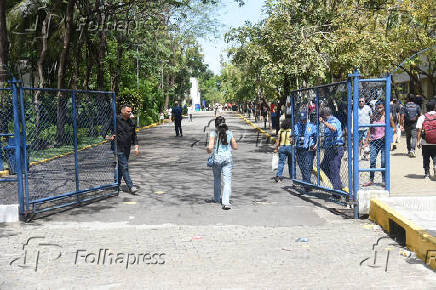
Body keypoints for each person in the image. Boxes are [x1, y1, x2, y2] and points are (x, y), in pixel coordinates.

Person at [102, 104, 139, 194]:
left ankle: (116, 184)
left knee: (121, 167)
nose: (130, 113)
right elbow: (103, 130)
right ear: (122, 111)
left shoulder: (131, 122)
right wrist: (108, 137)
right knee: (124, 166)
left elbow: (134, 135)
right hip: (117, 146)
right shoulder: (115, 119)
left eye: (130, 111)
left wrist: (136, 146)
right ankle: (131, 186)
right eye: (128, 111)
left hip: (127, 147)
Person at [207, 116, 238, 209]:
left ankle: (217, 198)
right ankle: (226, 202)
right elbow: (235, 147)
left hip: (217, 160)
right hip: (227, 159)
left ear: (216, 124)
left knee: (217, 179)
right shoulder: (229, 133)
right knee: (227, 181)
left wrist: (208, 149)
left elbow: (210, 147)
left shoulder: (213, 133)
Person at [363, 101, 395, 187]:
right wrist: (366, 140)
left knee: (383, 161)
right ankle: (371, 179)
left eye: (380, 107)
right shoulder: (373, 117)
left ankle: (384, 180)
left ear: (384, 107)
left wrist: (387, 136)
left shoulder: (388, 116)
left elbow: (394, 128)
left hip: (383, 141)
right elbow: (370, 129)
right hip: (374, 141)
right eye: (377, 107)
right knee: (372, 160)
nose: (379, 109)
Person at [319, 107, 344, 190]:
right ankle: (337, 184)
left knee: (334, 170)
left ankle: (337, 190)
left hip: (335, 149)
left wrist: (323, 122)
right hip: (329, 149)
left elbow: (334, 128)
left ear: (325, 115)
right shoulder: (328, 121)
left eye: (322, 115)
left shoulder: (333, 120)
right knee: (324, 166)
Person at [294, 111, 317, 187]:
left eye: (304, 120)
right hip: (299, 149)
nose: (303, 121)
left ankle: (306, 184)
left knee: (307, 166)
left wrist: (316, 145)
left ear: (306, 119)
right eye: (301, 120)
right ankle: (306, 182)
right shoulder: (296, 126)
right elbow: (293, 136)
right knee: (302, 167)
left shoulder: (312, 126)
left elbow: (317, 136)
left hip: (308, 150)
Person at [417, 99, 436, 179]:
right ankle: (435, 165)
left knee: (426, 157)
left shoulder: (422, 117)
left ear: (426, 107)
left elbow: (419, 131)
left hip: (425, 141)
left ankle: (427, 173)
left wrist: (418, 142)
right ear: (435, 107)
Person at [401, 93, 421, 157]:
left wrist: (401, 124)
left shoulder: (404, 106)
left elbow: (402, 116)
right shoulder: (417, 106)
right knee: (414, 137)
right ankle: (413, 150)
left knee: (408, 137)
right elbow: (420, 114)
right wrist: (417, 119)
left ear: (408, 98)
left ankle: (409, 150)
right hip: (414, 123)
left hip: (407, 123)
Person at [273, 118, 292, 182]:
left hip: (281, 147)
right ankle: (292, 176)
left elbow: (278, 141)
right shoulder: (291, 131)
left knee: (281, 163)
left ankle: (278, 176)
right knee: (291, 163)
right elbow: (292, 141)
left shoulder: (280, 131)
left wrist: (276, 148)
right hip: (289, 147)